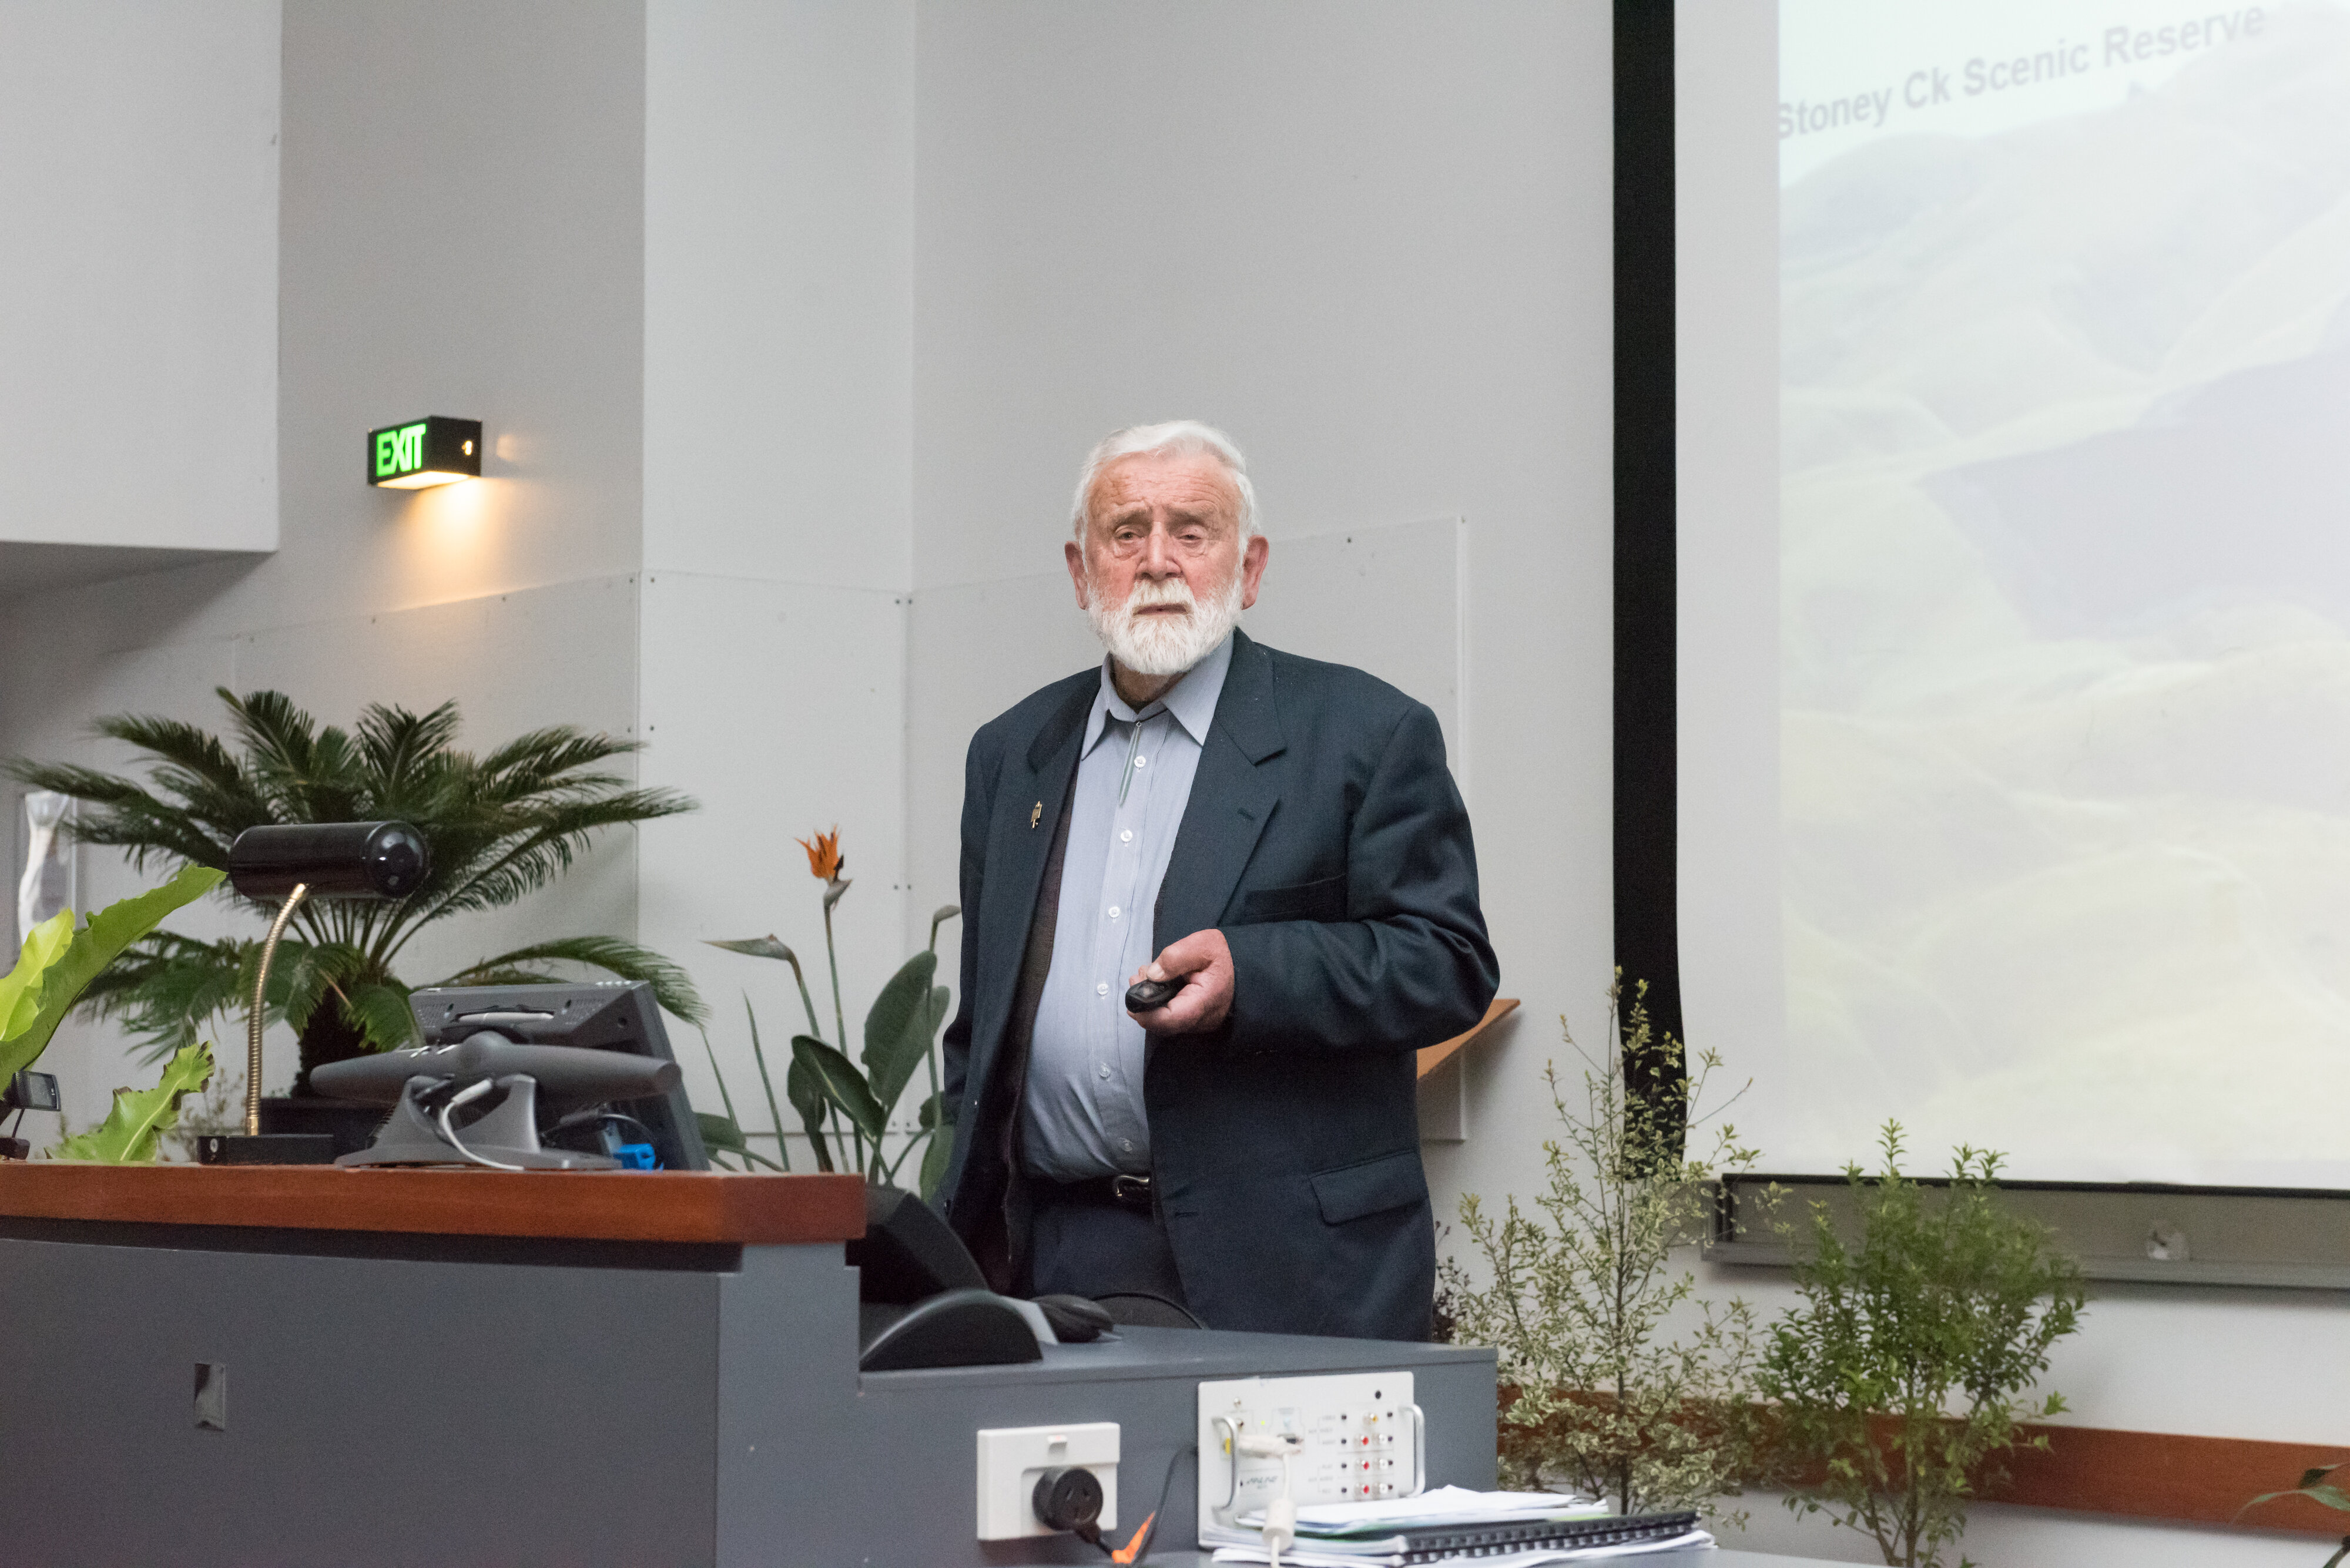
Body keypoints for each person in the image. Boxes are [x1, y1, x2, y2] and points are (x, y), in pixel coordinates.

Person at [935, 420, 1497, 1341]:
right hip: (1051, 1262)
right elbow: (986, 1025)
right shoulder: (1010, 755)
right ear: (1083, 572)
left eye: (1192, 531)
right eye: (1127, 533)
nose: (1158, 561)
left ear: (1250, 566)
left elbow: (1448, 962)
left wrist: (1254, 974)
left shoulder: (1364, 733)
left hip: (1284, 1269)